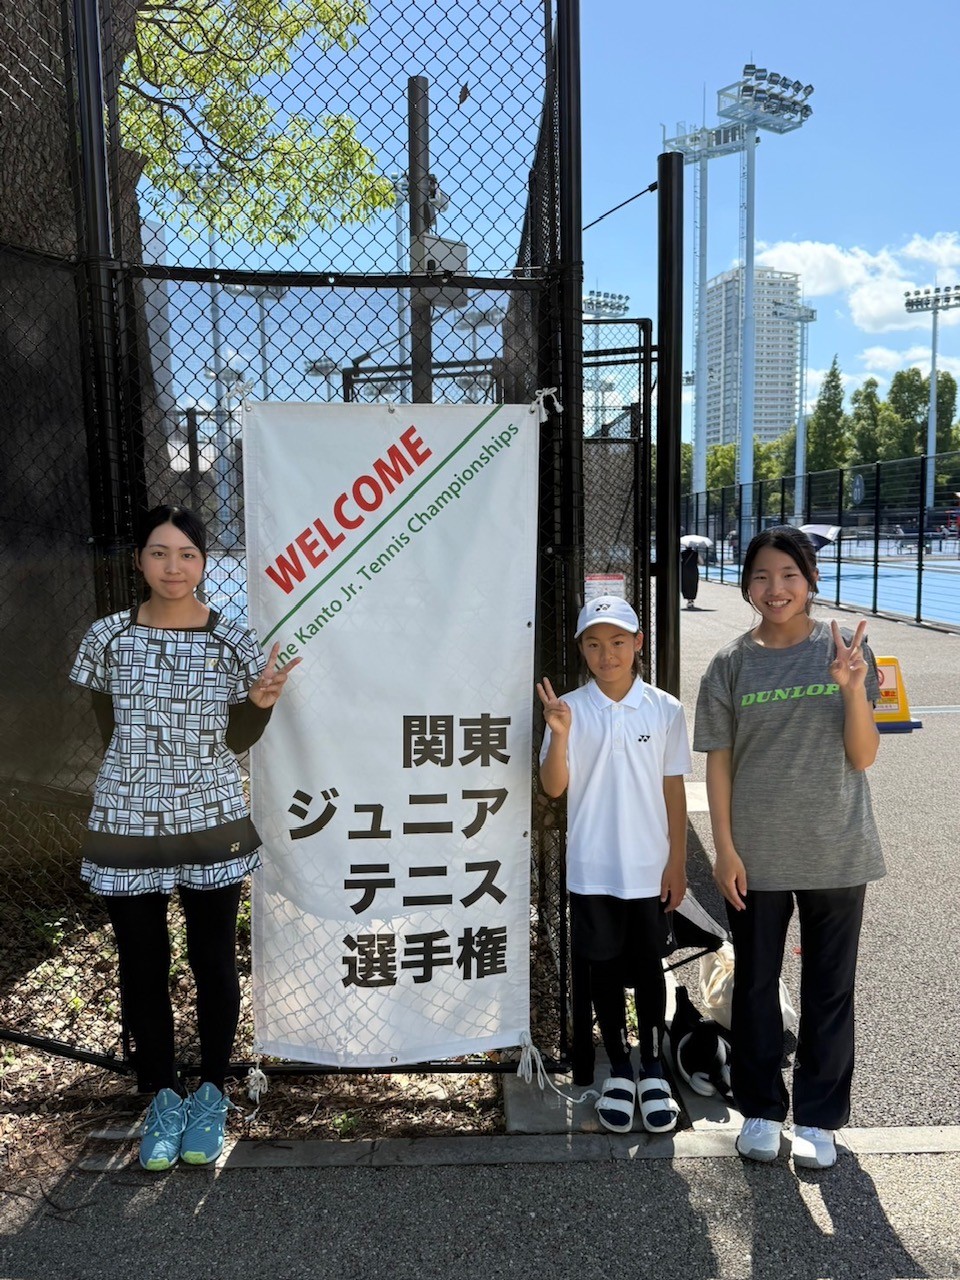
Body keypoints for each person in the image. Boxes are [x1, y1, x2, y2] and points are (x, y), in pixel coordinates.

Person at [70, 505, 300, 1171]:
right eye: (159, 552)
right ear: (139, 560)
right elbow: (108, 729)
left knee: (212, 957)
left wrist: (260, 704)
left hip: (211, 817)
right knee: (142, 961)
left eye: (187, 554)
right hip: (126, 819)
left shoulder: (235, 642)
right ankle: (163, 1096)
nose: (173, 567)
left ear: (202, 562)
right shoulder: (106, 637)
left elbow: (237, 740)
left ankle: (211, 1092)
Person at [694, 525, 884, 1170]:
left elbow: (863, 755)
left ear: (810, 581)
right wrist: (723, 849)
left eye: (789, 576)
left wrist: (851, 687)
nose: (775, 589)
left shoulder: (847, 649)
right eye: (761, 576)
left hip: (837, 846)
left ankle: (820, 1120)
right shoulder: (730, 663)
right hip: (756, 854)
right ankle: (761, 1110)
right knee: (755, 984)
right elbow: (718, 763)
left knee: (831, 988)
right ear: (747, 585)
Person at [537, 596, 691, 1135]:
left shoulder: (665, 709)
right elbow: (554, 787)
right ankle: (620, 1071)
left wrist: (677, 861)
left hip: (650, 867)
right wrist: (559, 736)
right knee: (601, 968)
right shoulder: (568, 709)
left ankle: (653, 1069)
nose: (608, 654)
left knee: (649, 968)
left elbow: (674, 790)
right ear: (581, 648)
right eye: (595, 644)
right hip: (593, 866)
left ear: (638, 643)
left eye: (618, 641)